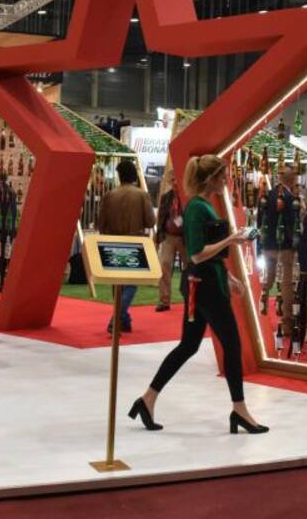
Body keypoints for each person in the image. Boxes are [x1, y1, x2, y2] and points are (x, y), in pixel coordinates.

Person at [131, 155, 267, 435]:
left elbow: (205, 252)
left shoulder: (201, 206)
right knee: (231, 344)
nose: (226, 180)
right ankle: (239, 410)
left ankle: (148, 399)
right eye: (222, 175)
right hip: (205, 287)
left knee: (189, 345)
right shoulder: (197, 208)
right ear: (210, 179)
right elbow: (196, 253)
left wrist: (227, 274)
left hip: (204, 283)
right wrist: (232, 239)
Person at [97, 160, 156, 333]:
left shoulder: (110, 195)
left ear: (119, 175)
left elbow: (101, 223)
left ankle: (124, 319)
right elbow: (150, 221)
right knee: (131, 284)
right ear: (134, 175)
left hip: (113, 242)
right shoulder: (141, 195)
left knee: (117, 284)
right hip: (135, 243)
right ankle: (116, 318)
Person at [260, 165, 300, 342]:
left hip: (268, 246)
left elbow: (261, 219)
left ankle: (260, 311)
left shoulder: (268, 195)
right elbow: (293, 224)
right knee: (286, 285)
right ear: (293, 180)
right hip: (284, 247)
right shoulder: (290, 198)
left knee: (267, 281)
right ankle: (287, 324)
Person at [153, 169, 186, 312]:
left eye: (176, 179)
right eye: (172, 180)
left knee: (189, 268)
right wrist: (158, 236)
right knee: (164, 267)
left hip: (184, 237)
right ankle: (164, 300)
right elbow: (161, 217)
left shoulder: (187, 198)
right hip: (168, 236)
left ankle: (191, 299)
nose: (174, 183)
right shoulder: (166, 197)